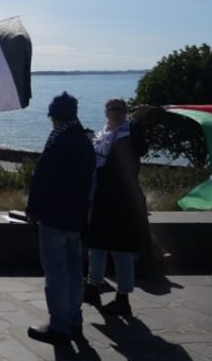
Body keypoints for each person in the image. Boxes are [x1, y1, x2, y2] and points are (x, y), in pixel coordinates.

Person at [25, 92, 95, 344]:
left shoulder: (58, 142)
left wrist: (33, 209)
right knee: (75, 270)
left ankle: (59, 326)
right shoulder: (85, 142)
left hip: (54, 216)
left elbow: (41, 180)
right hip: (76, 217)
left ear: (55, 117)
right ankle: (75, 319)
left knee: (55, 272)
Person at [84, 99, 151, 316]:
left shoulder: (129, 132)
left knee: (122, 250)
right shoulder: (102, 133)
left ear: (125, 112)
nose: (115, 112)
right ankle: (93, 287)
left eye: (120, 108)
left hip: (123, 199)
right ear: (106, 111)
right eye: (111, 108)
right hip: (102, 196)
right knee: (96, 245)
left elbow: (142, 148)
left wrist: (138, 121)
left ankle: (123, 297)